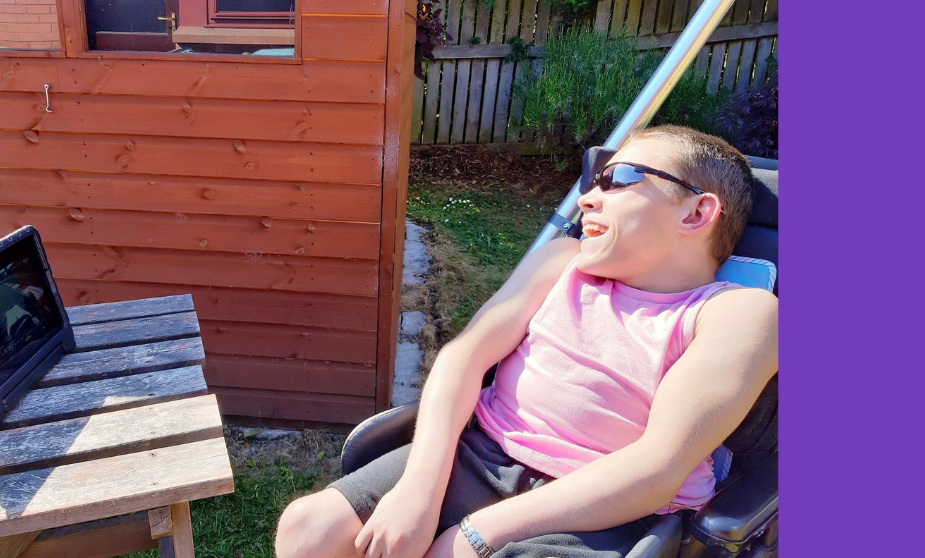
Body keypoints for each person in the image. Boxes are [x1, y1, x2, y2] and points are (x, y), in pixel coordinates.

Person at [274, 126, 779, 558]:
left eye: (620, 179)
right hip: (483, 454)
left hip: (600, 512)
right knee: (309, 530)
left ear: (696, 214)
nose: (587, 197)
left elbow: (657, 467)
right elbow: (465, 356)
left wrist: (473, 536)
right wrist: (419, 489)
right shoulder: (564, 262)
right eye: (594, 180)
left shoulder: (736, 313)